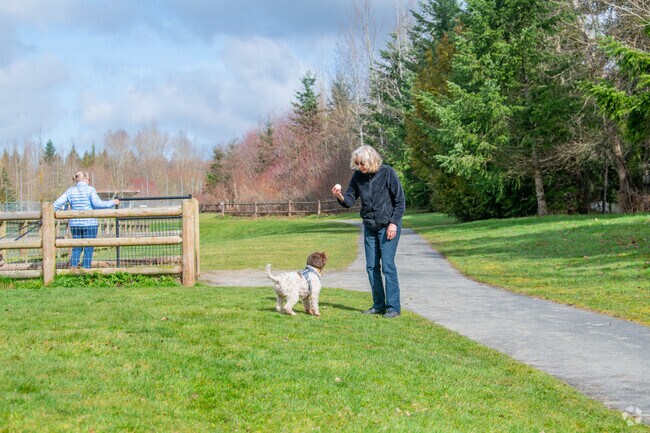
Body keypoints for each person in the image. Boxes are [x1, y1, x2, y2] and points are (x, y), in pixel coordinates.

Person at [332, 145, 405, 319]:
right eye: (357, 163)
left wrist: (393, 223)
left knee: (388, 267)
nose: (359, 166)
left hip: (388, 226)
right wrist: (340, 196)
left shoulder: (387, 173)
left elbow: (400, 201)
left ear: (370, 160)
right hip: (370, 227)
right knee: (371, 267)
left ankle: (393, 307)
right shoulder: (358, 176)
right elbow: (349, 200)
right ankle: (378, 305)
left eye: (362, 163)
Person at [53, 171, 119, 269]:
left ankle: (73, 269)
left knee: (76, 247)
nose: (89, 181)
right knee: (89, 247)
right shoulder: (90, 190)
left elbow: (57, 203)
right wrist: (113, 202)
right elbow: (98, 204)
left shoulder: (70, 191)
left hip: (75, 224)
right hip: (90, 223)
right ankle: (86, 269)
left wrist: (50, 212)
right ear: (85, 179)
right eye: (89, 179)